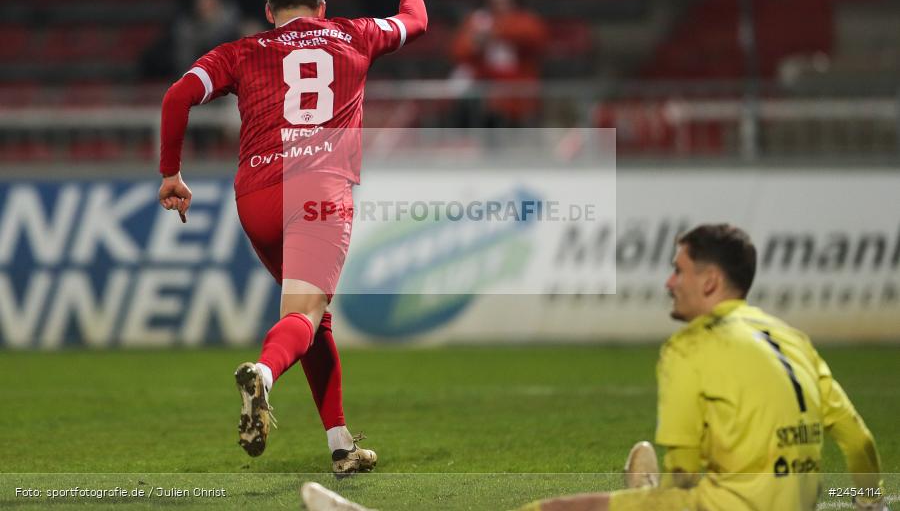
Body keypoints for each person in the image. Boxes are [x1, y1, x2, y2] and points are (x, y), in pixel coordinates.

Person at [300, 224, 888, 508]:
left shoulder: (691, 350)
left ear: (710, 281)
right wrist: (867, 503)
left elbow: (684, 486)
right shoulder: (793, 339)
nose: (669, 281)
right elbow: (860, 444)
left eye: (679, 270)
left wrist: (653, 494)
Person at [157, 0, 426, 474]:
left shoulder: (240, 52)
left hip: (256, 196)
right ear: (322, 6)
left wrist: (171, 173)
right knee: (303, 314)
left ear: (268, 10)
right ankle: (262, 374)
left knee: (314, 320)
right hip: (317, 190)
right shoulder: (355, 33)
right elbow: (414, 22)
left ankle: (341, 445)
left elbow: (177, 96)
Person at [450, 0, 548, 128]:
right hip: (486, 93)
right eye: (494, 0)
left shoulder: (524, 19)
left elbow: (536, 38)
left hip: (518, 92)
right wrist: (476, 44)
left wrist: (497, 32)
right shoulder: (478, 20)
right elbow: (458, 51)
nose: (499, 3)